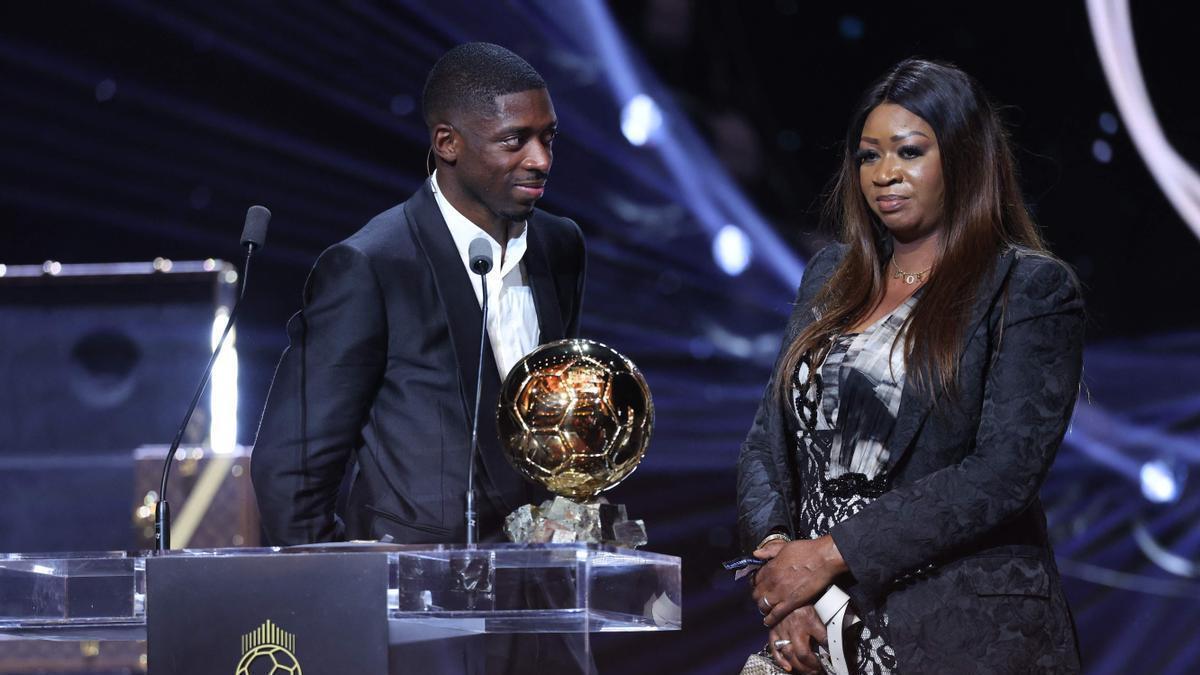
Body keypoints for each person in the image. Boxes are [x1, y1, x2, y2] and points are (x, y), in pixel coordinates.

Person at [736, 58, 1083, 674]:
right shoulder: (830, 278)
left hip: (956, 630)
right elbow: (770, 443)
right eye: (870, 156)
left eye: (909, 152)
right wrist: (783, 575)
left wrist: (830, 554)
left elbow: (1001, 474)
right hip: (816, 623)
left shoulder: (1026, 289)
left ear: (963, 158)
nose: (885, 174)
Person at [251, 43, 588, 673]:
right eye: (514, 140)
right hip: (420, 625)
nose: (540, 160)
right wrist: (350, 609)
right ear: (447, 142)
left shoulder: (559, 246)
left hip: (546, 609)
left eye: (549, 138)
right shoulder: (372, 266)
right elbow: (290, 471)